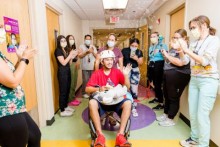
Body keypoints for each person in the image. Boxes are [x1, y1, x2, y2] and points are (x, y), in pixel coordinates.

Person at [179, 15, 220, 147]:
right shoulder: (194, 43)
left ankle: (203, 144)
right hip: (195, 80)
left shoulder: (214, 40)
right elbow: (185, 61)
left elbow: (204, 61)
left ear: (203, 26)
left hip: (208, 81)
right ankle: (194, 138)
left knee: (202, 115)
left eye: (193, 27)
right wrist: (181, 50)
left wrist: (186, 50)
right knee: (193, 113)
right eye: (190, 28)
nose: (192, 31)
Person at [0, 25, 41, 147]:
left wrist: (20, 60)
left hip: (16, 108)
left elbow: (10, 75)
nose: (2, 29)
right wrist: (24, 59)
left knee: (35, 135)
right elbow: (12, 81)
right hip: (5, 111)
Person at [86, 50, 132, 147]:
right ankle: (100, 135)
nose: (110, 62)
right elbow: (87, 89)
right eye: (107, 60)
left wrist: (125, 75)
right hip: (102, 102)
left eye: (111, 59)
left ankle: (120, 135)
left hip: (115, 101)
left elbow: (127, 87)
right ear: (102, 62)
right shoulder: (97, 73)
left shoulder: (117, 72)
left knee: (128, 103)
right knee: (92, 103)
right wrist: (99, 88)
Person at [156, 29, 190, 127]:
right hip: (169, 74)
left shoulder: (184, 49)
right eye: (173, 37)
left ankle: (171, 118)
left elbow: (180, 63)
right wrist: (165, 54)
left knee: (173, 97)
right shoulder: (173, 48)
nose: (174, 39)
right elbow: (170, 60)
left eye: (177, 37)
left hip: (178, 75)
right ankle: (166, 114)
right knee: (166, 95)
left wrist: (167, 55)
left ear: (184, 38)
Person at [54, 35, 76, 117]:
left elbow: (68, 63)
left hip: (67, 71)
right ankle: (62, 110)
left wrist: (71, 57)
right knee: (63, 91)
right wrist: (70, 55)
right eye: (62, 41)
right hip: (62, 73)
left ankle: (66, 106)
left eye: (65, 41)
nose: (64, 42)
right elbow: (63, 63)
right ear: (59, 42)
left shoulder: (65, 50)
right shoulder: (58, 51)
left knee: (67, 89)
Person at [122, 38, 143, 117]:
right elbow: (120, 61)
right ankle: (125, 105)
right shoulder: (124, 50)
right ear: (129, 44)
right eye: (132, 45)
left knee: (134, 89)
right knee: (125, 88)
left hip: (135, 71)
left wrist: (136, 58)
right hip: (126, 70)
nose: (134, 47)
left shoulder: (139, 52)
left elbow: (141, 63)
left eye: (135, 46)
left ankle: (134, 107)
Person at [148, 32, 168, 110]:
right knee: (152, 82)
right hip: (152, 64)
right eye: (151, 37)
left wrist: (160, 50)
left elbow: (165, 55)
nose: (152, 38)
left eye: (154, 36)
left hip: (159, 64)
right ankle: (157, 98)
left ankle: (161, 103)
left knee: (158, 84)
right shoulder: (151, 47)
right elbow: (150, 55)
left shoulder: (163, 45)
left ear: (158, 37)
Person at [78, 34, 97, 98]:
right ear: (84, 40)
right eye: (87, 39)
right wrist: (87, 52)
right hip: (85, 67)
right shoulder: (81, 46)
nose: (88, 40)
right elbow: (80, 56)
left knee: (92, 81)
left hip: (92, 67)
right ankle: (84, 93)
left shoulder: (93, 47)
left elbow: (97, 56)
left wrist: (92, 52)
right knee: (85, 80)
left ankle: (91, 92)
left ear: (91, 40)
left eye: (89, 39)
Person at [66, 35, 81, 106]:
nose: (72, 40)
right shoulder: (66, 49)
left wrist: (78, 55)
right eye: (70, 39)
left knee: (75, 82)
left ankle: (73, 97)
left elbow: (77, 57)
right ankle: (70, 99)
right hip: (70, 66)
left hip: (75, 65)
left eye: (73, 39)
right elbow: (68, 60)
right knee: (71, 83)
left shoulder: (73, 48)